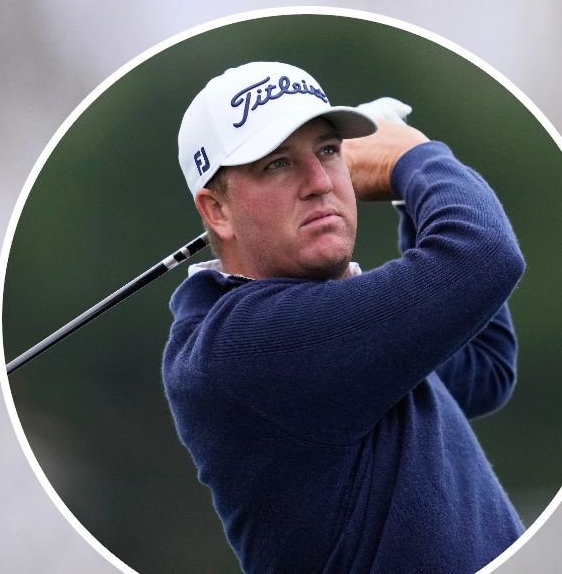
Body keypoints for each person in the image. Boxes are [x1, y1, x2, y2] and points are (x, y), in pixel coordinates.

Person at [163, 60, 526, 574]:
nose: (320, 182)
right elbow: (484, 254)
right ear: (217, 211)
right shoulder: (242, 344)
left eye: (329, 151)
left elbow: (484, 372)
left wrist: (407, 195)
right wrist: (413, 159)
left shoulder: (328, 322)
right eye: (277, 164)